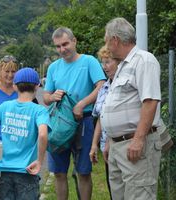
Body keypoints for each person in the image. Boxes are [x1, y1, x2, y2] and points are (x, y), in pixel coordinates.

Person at [101, 17, 162, 200]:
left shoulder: (144, 60)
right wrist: (112, 140)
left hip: (134, 147)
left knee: (139, 194)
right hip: (119, 147)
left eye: (106, 40)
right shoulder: (122, 66)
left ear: (115, 40)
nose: (107, 46)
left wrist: (138, 139)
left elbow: (150, 101)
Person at [43, 27, 106, 200]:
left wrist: (82, 103)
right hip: (59, 124)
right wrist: (52, 97)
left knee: (83, 172)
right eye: (58, 46)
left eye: (65, 44)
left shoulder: (89, 61)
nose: (62, 49)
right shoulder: (53, 67)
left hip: (82, 121)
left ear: (74, 41)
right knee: (59, 173)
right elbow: (45, 97)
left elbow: (101, 87)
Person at [0, 67, 50, 200]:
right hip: (27, 171)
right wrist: (39, 161)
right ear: (37, 86)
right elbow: (43, 134)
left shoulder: (6, 106)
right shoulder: (39, 111)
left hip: (6, 171)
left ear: (15, 86)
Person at [89, 45, 119, 200]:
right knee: (113, 189)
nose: (104, 66)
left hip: (121, 145)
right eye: (103, 62)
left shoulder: (124, 86)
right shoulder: (104, 87)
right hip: (105, 147)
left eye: (108, 62)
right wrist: (94, 145)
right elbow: (101, 118)